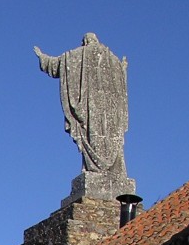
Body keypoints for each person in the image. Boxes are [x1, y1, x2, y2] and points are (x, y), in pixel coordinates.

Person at [34, 33, 129, 179]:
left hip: (92, 107)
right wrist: (122, 68)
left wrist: (43, 57)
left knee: (93, 134)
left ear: (85, 42)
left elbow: (59, 64)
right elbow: (121, 82)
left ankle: (96, 170)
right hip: (110, 110)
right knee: (110, 137)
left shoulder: (78, 55)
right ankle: (112, 171)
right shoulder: (113, 60)